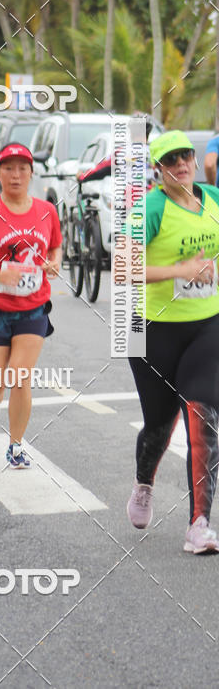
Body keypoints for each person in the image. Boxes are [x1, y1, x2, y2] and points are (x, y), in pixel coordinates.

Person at [126, 130, 219, 553]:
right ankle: (145, 481)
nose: (179, 164)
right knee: (159, 427)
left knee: (203, 418)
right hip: (152, 329)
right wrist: (180, 269)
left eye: (184, 156)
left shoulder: (214, 200)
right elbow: (124, 268)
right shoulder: (148, 209)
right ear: (158, 170)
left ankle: (199, 523)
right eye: (169, 160)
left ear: (195, 161)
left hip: (206, 325)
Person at [0, 143, 62, 468]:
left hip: (33, 308)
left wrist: (53, 264)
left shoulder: (47, 210)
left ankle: (16, 445)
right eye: (9, 168)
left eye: (22, 168)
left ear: (32, 173)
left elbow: (56, 248)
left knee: (20, 377)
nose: (16, 175)